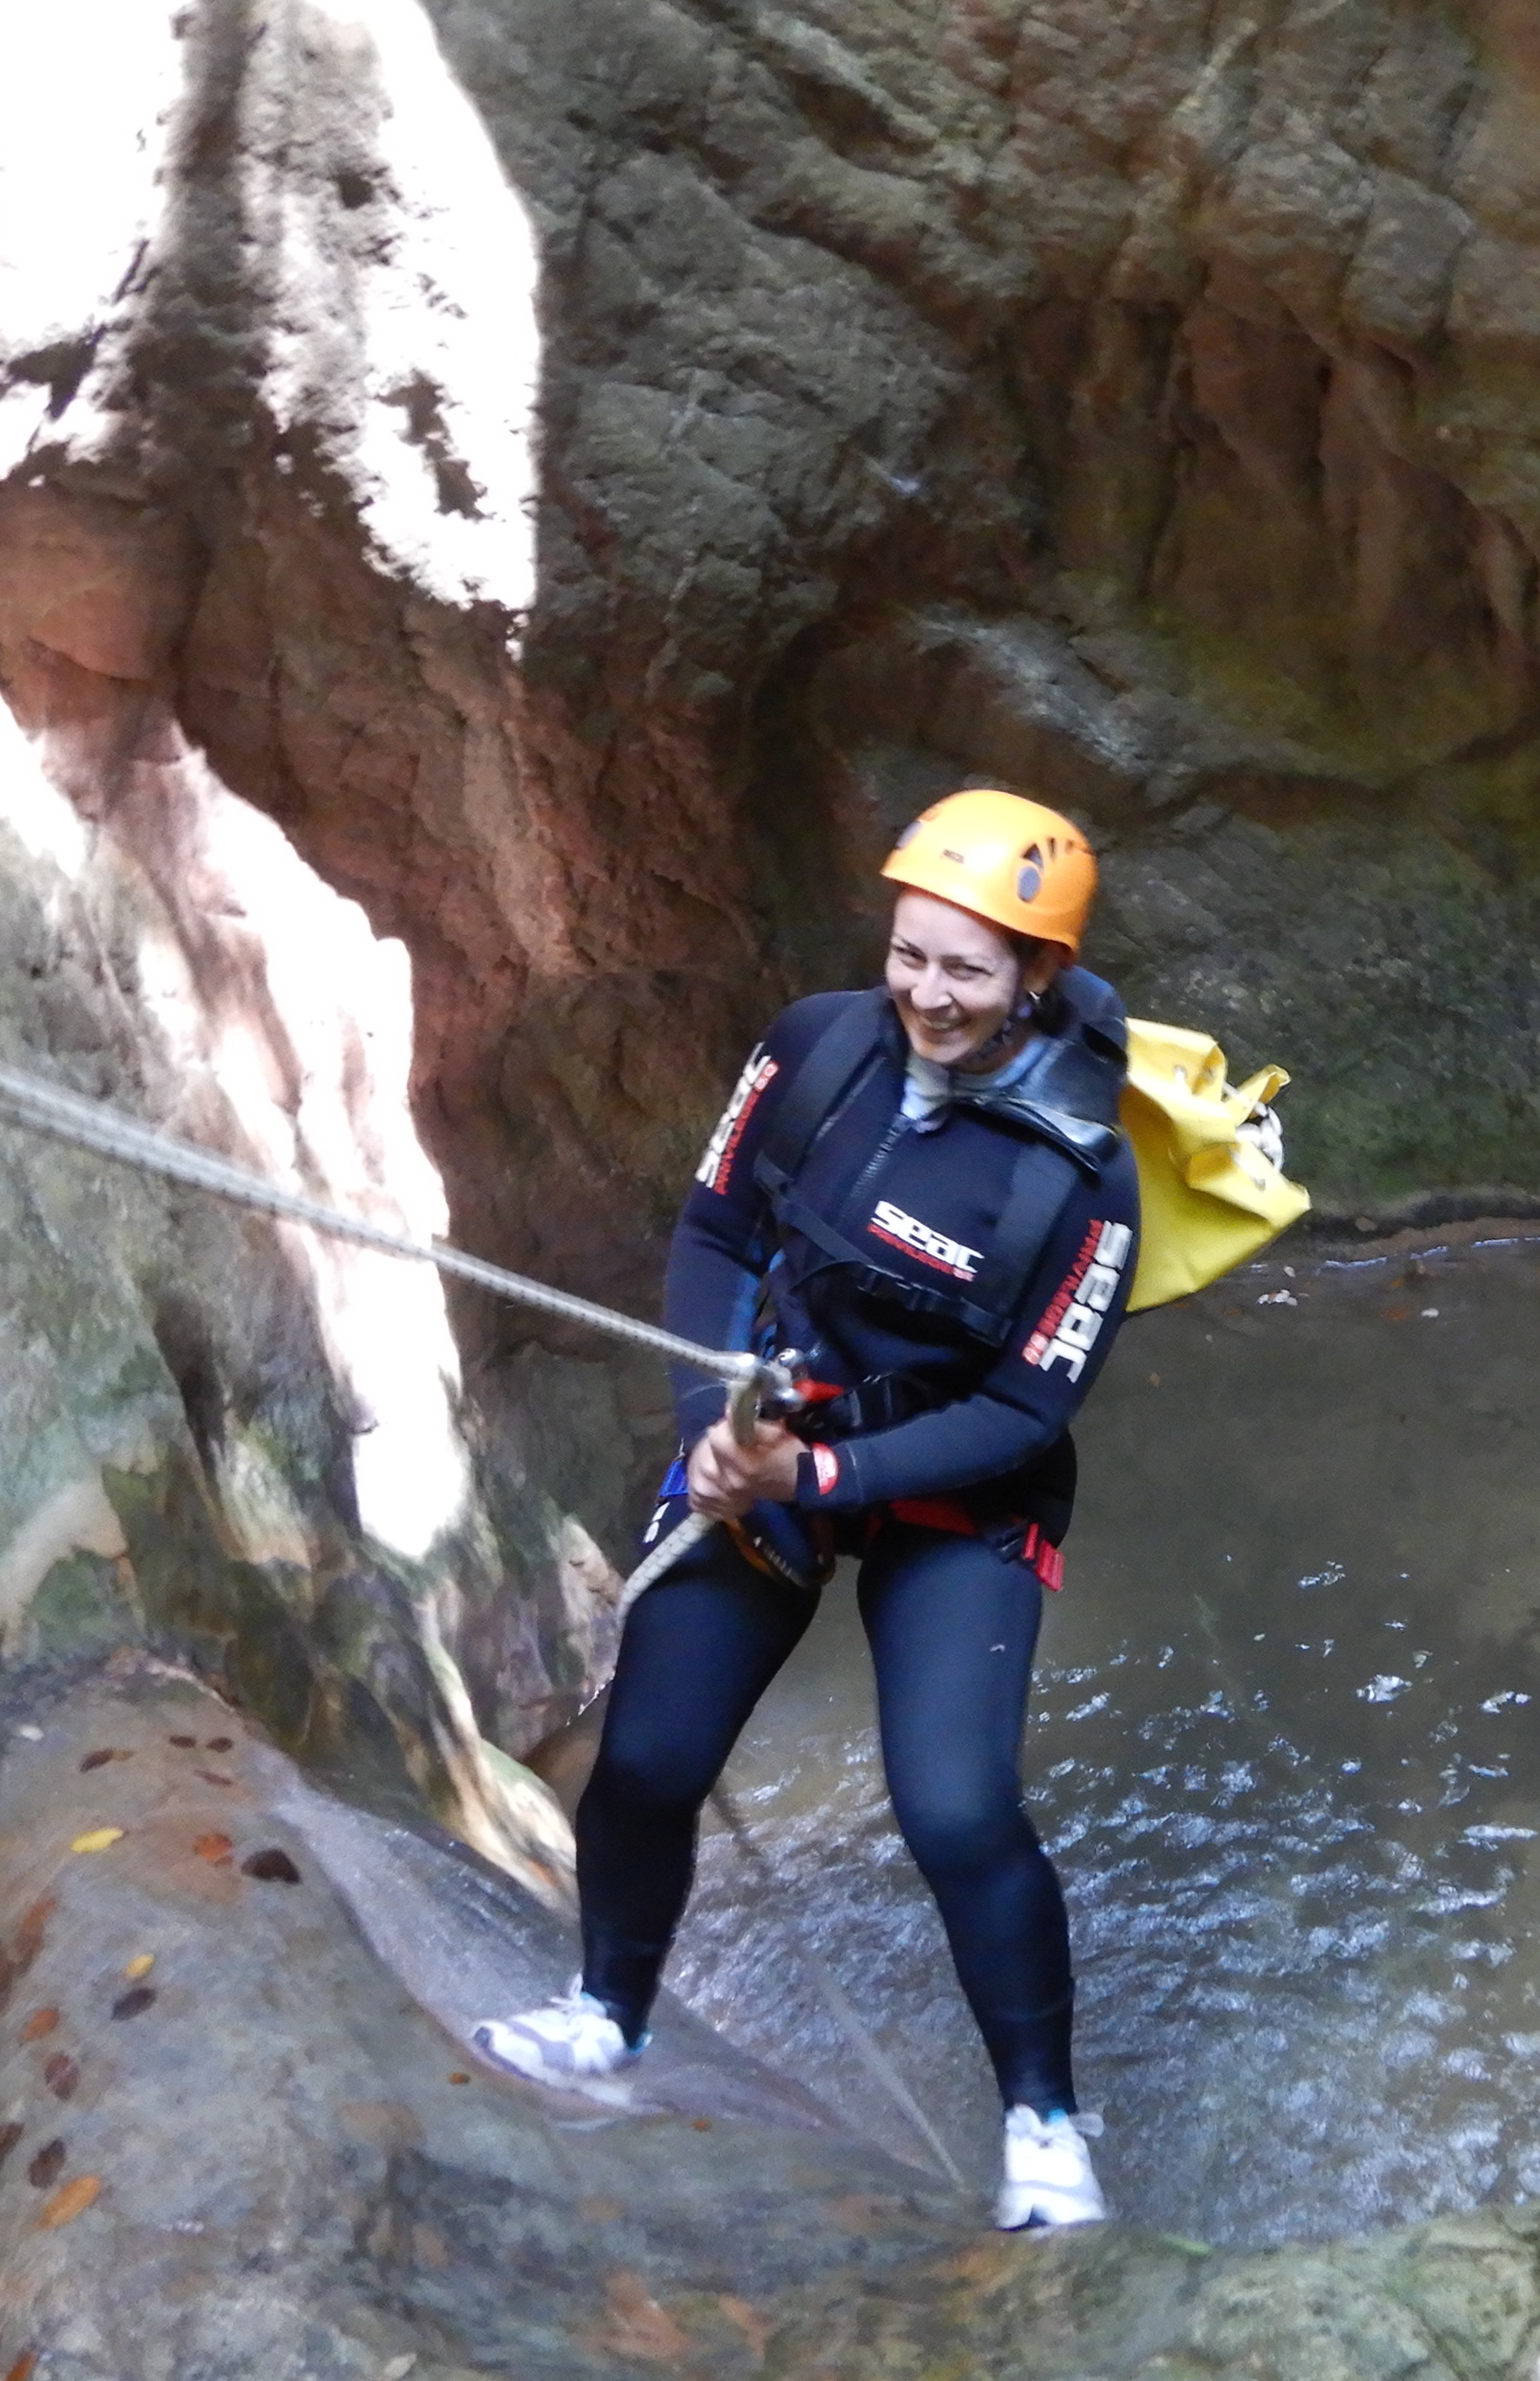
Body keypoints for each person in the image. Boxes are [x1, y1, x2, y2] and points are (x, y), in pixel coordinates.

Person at [470, 791, 1143, 2230]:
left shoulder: (1086, 1174)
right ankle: (608, 2015)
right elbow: (718, 1230)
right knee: (647, 1758)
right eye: (912, 955)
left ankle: (1041, 2125)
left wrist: (820, 1480)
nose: (929, 995)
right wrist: (715, 1429)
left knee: (957, 1810)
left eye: (969, 969)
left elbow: (1027, 1408)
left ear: (1037, 975)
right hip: (772, 1433)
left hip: (953, 1487)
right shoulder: (815, 1047)